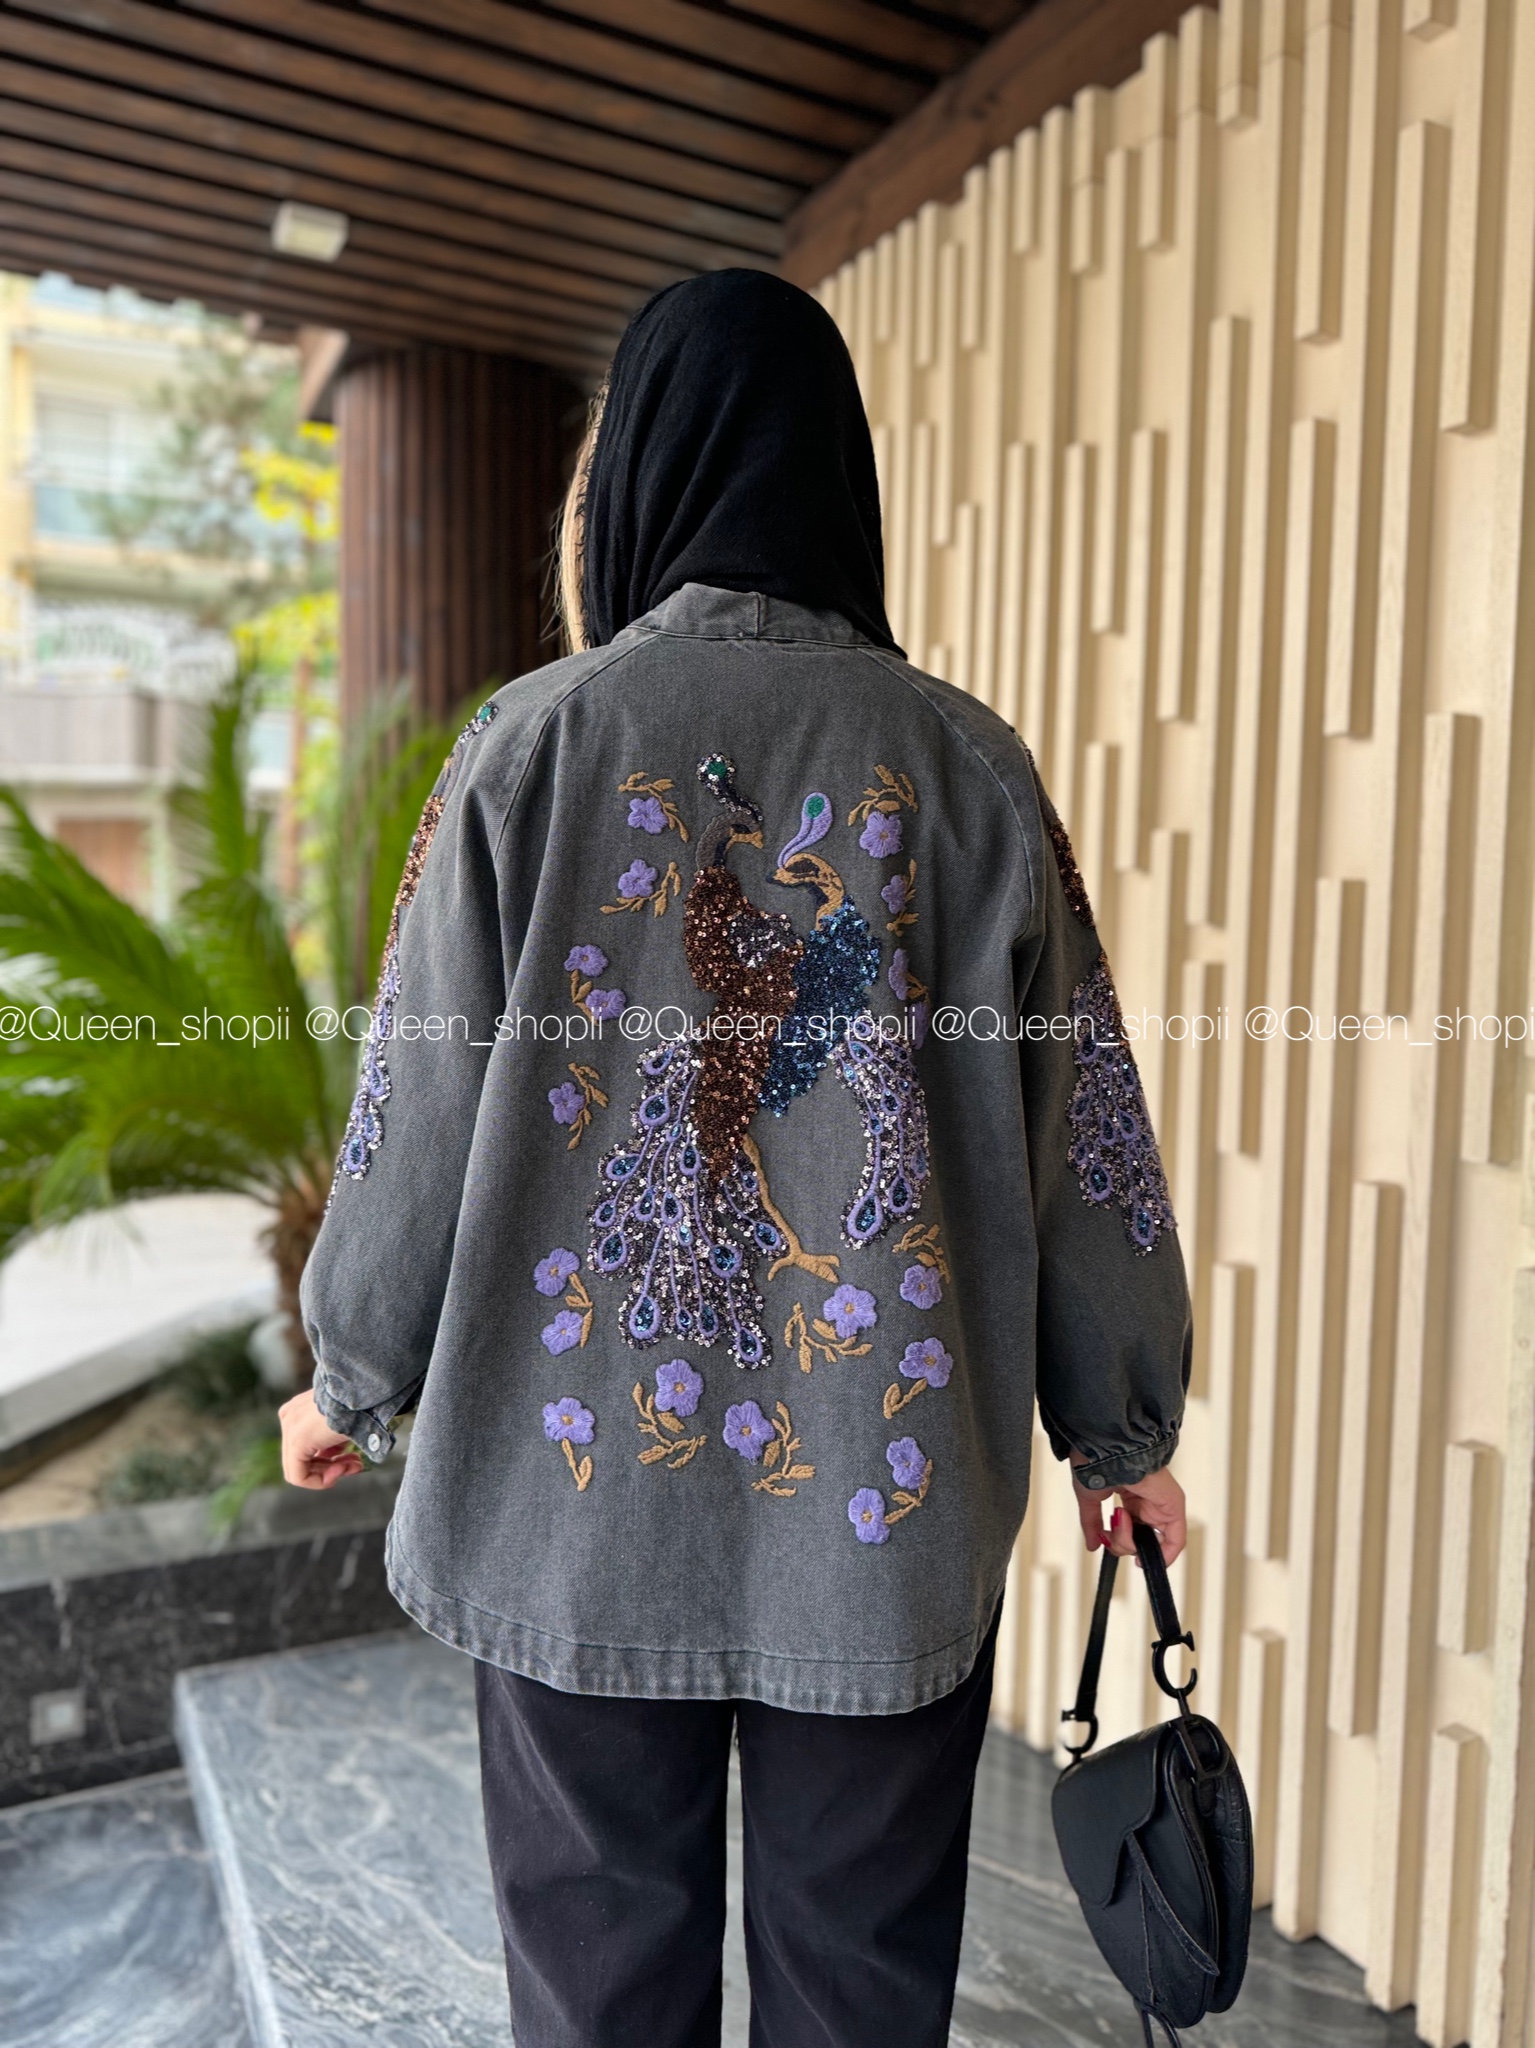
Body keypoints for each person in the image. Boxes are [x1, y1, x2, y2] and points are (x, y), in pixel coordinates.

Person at [280, 269, 1190, 2048]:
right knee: (861, 1990)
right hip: (880, 1510)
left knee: (597, 1991)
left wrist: (352, 1372)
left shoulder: (528, 748)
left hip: (568, 1511)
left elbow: (419, 1096)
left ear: (637, 473)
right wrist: (1122, 1426)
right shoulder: (972, 772)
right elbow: (1082, 1128)